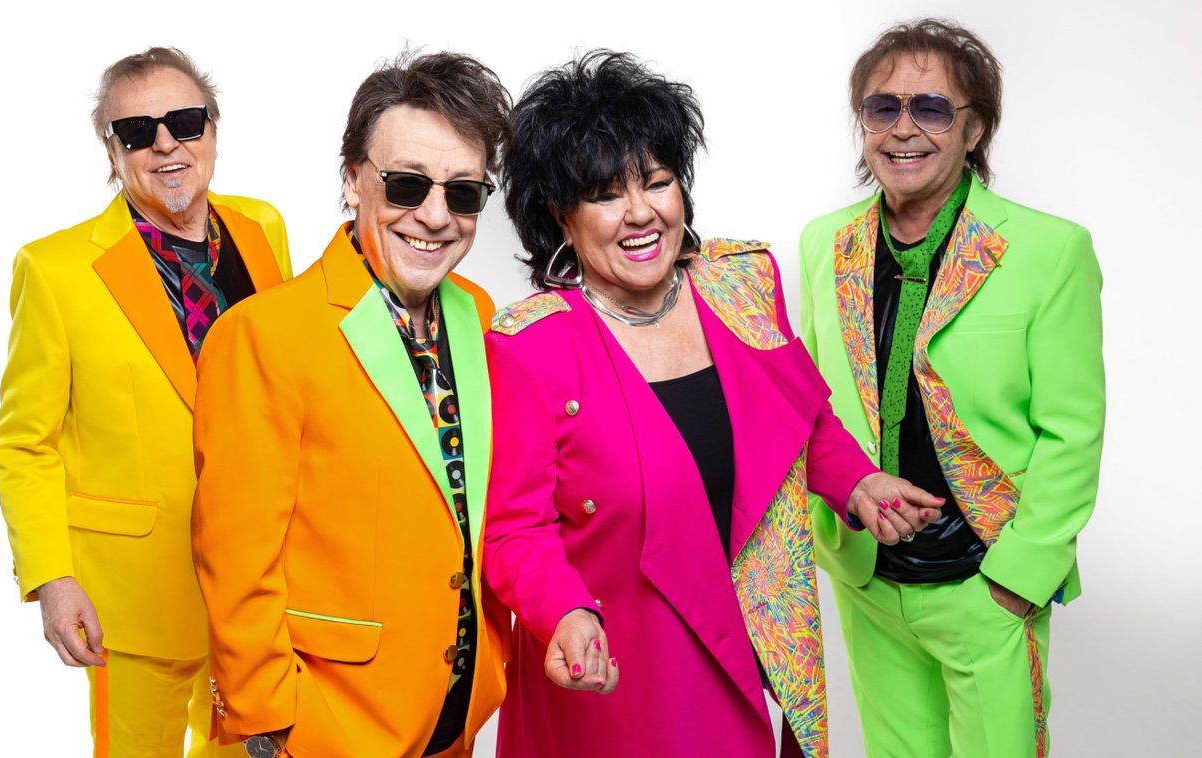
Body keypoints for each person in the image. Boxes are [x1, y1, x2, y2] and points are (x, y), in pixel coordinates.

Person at [483, 50, 944, 758]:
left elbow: (798, 419)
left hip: (744, 645)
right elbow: (516, 529)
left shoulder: (741, 283)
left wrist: (858, 482)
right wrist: (565, 613)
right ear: (559, 216)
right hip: (611, 667)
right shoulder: (530, 345)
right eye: (605, 195)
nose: (641, 213)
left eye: (657, 182)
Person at [190, 51, 513, 758]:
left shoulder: (481, 315)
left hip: (457, 713)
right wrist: (273, 726)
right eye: (406, 184)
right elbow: (235, 562)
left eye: (463, 193)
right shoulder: (264, 334)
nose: (435, 216)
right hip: (327, 726)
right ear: (351, 179)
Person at [799, 19, 1105, 758]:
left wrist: (1017, 579)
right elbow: (809, 405)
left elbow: (1072, 431)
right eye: (882, 108)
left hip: (986, 584)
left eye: (931, 108)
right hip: (868, 578)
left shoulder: (1050, 250)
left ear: (975, 130)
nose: (903, 129)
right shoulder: (822, 244)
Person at [0, 47, 292, 757]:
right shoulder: (54, 270)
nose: (165, 144)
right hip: (133, 596)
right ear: (112, 150)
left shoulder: (263, 229)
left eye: (184, 122)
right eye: (136, 131)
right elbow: (23, 442)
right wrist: (52, 578)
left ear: (211, 130)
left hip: (260, 583)